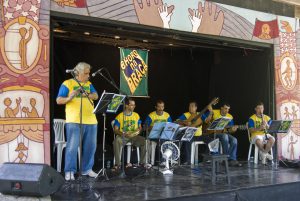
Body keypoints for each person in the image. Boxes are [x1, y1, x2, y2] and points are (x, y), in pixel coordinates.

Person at [56, 62, 99, 181]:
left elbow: (96, 96)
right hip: (74, 120)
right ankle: (69, 171)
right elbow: (59, 100)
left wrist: (88, 95)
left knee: (91, 147)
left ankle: (87, 169)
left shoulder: (89, 84)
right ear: (77, 73)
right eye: (86, 73)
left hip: (91, 120)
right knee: (72, 147)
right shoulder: (67, 83)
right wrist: (70, 97)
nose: (88, 75)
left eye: (88, 73)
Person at [113, 98, 146, 169]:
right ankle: (117, 164)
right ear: (126, 106)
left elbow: (140, 127)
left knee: (144, 141)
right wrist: (123, 134)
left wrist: (138, 131)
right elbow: (115, 130)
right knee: (116, 141)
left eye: (134, 105)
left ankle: (142, 162)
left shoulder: (136, 115)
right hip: (123, 137)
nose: (134, 106)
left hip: (134, 136)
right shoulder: (120, 116)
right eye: (132, 105)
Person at [145, 100, 172, 165]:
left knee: (169, 140)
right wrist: (153, 127)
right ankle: (159, 161)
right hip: (154, 135)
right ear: (156, 107)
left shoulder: (167, 115)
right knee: (161, 141)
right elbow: (145, 127)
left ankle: (166, 160)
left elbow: (170, 126)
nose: (160, 109)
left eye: (162, 107)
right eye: (159, 107)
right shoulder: (151, 115)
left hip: (164, 135)